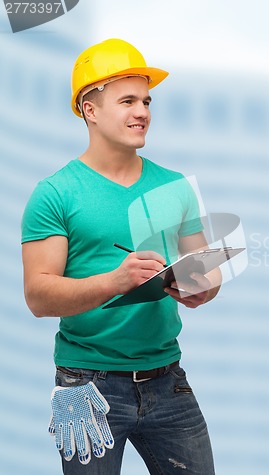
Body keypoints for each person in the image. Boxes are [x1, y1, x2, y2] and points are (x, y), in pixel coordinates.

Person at [21, 38, 221, 475]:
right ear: (90, 110)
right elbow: (38, 296)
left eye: (147, 101)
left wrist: (202, 287)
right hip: (85, 386)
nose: (143, 112)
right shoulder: (55, 193)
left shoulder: (176, 187)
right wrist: (116, 280)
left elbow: (206, 271)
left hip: (168, 380)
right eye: (127, 100)